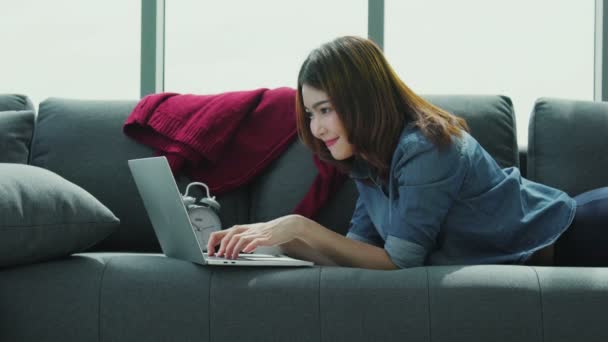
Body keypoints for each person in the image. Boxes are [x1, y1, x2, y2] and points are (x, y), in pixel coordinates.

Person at [207, 36, 608, 269]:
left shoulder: (426, 148)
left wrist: (299, 226)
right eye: (311, 114)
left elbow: (400, 261)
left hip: (582, 232)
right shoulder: (368, 163)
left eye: (326, 110)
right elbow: (359, 250)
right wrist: (267, 242)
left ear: (362, 99)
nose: (316, 128)